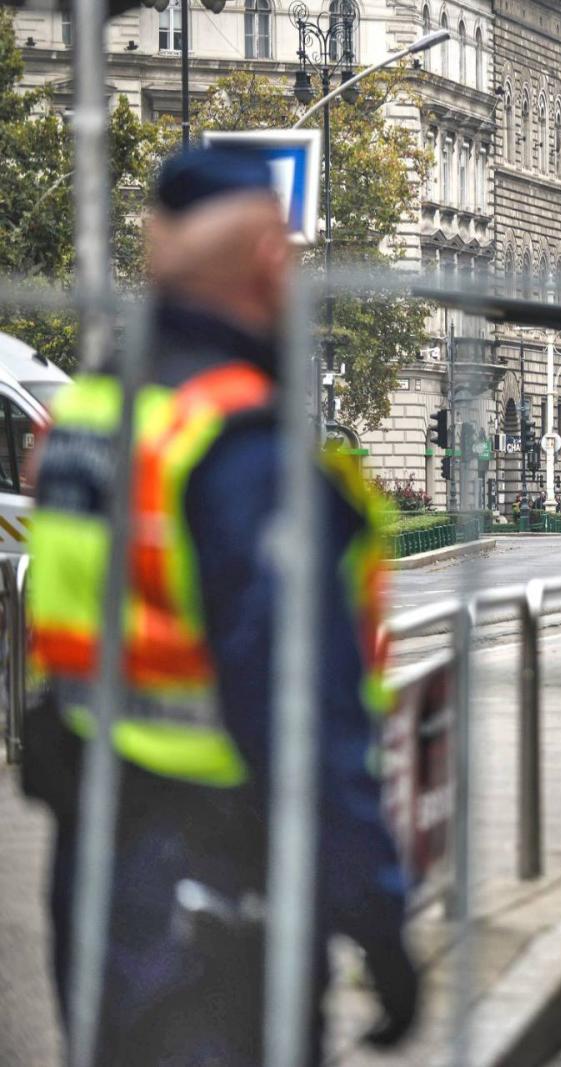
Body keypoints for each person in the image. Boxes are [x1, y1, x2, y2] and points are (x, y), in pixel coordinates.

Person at [23, 148, 417, 1063]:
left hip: (95, 865)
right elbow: (306, 716)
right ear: (271, 259)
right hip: (224, 885)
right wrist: (377, 915)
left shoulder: (87, 415)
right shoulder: (238, 443)